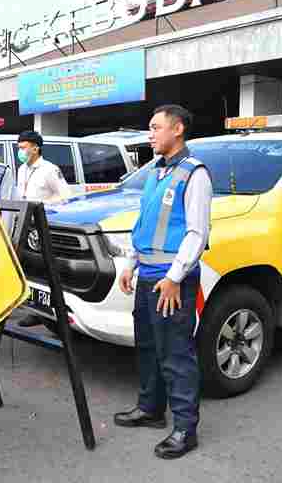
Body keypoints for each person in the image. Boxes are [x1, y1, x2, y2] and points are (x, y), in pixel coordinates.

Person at [114, 105, 212, 460]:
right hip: (147, 279)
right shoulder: (156, 173)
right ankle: (150, 410)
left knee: (176, 355)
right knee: (148, 349)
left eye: (156, 128)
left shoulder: (194, 173)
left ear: (178, 129)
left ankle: (186, 429)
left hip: (173, 282)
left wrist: (174, 278)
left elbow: (197, 233)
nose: (150, 134)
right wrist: (130, 263)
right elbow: (145, 224)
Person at [13, 130, 71, 327]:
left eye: (23, 147)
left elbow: (65, 197)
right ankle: (34, 308)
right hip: (25, 225)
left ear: (35, 148)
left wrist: (43, 206)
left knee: (44, 270)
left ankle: (47, 314)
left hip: (42, 226)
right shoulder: (22, 169)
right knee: (29, 268)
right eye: (19, 147)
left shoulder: (49, 169)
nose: (19, 151)